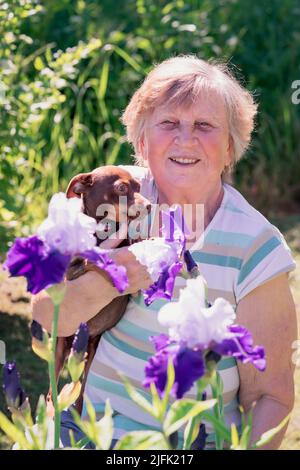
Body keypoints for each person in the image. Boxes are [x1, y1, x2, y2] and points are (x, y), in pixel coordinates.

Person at [32, 55, 297, 450]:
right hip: (84, 427)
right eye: (169, 123)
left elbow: (270, 397)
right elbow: (44, 320)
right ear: (142, 141)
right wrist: (118, 273)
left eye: (204, 126)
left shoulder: (256, 246)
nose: (185, 138)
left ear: (229, 147)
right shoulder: (109, 195)